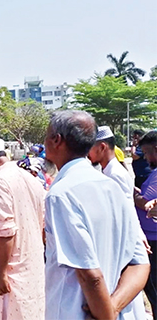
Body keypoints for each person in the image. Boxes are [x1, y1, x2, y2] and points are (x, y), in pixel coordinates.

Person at [43, 110, 150, 319]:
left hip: (76, 312)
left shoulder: (61, 194)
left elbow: (89, 275)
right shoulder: (111, 187)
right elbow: (140, 263)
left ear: (56, 140)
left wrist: (106, 313)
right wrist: (114, 306)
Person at [0, 135, 46, 319]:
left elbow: (6, 231)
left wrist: (1, 274)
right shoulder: (30, 177)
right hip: (33, 265)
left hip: (12, 271)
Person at [89, 126, 148, 319]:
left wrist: (138, 236)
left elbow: (126, 210)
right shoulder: (109, 171)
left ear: (102, 147)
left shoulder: (114, 174)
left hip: (123, 238)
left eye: (91, 147)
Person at [133, 130, 157, 316]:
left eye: (147, 152)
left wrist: (133, 194)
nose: (146, 158)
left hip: (153, 242)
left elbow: (145, 202)